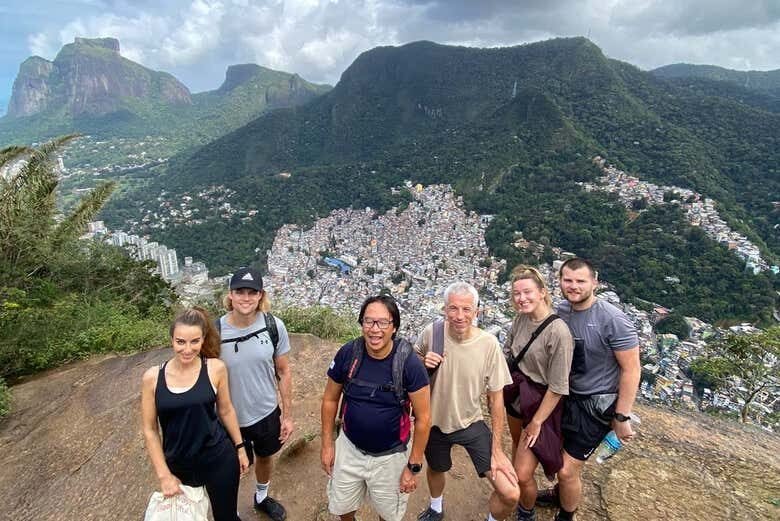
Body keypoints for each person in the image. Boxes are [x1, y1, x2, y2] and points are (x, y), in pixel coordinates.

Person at [542, 258, 641, 521]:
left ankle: (567, 514)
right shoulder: (561, 311)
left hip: (596, 405)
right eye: (568, 280)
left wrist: (621, 417)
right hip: (567, 397)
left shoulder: (613, 320)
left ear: (594, 282)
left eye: (580, 281)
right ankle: (560, 494)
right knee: (559, 456)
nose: (573, 286)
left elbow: (632, 369)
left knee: (566, 469)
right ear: (560, 281)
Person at [320, 294, 431, 521]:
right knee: (343, 507)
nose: (374, 329)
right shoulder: (349, 354)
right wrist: (327, 444)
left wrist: (414, 465)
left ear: (394, 327)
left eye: (383, 322)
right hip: (350, 447)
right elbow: (330, 399)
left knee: (388, 514)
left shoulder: (408, 363)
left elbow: (424, 418)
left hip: (391, 456)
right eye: (368, 321)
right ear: (362, 324)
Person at [415, 281, 520, 521]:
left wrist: (497, 450)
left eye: (466, 309)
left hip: (471, 422)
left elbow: (496, 400)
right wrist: (422, 361)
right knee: (436, 467)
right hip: (434, 421)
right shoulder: (433, 332)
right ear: (444, 309)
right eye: (453, 308)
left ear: (476, 312)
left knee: (511, 493)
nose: (459, 316)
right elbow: (413, 356)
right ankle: (436, 507)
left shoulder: (488, 345)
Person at [141, 307, 249, 521]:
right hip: (178, 463)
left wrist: (240, 448)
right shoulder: (153, 378)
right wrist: (164, 475)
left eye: (194, 342)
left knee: (226, 516)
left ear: (203, 340)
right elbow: (150, 429)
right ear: (171, 340)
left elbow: (226, 410)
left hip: (217, 457)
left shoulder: (215, 369)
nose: (187, 349)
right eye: (180, 342)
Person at [218, 267, 293, 521]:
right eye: (240, 292)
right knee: (230, 468)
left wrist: (288, 415)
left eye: (252, 292)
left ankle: (261, 497)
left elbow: (283, 371)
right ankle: (231, 512)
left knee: (264, 456)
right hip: (229, 417)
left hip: (266, 411)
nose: (246, 298)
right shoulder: (215, 332)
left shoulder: (273, 326)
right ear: (230, 295)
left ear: (261, 295)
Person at [503, 266, 573, 521]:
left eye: (527, 292)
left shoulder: (558, 332)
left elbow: (558, 387)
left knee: (523, 472)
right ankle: (519, 496)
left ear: (542, 292)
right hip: (517, 394)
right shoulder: (521, 318)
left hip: (541, 403)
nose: (521, 298)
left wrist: (536, 422)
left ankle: (526, 511)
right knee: (515, 444)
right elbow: (510, 350)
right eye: (516, 294)